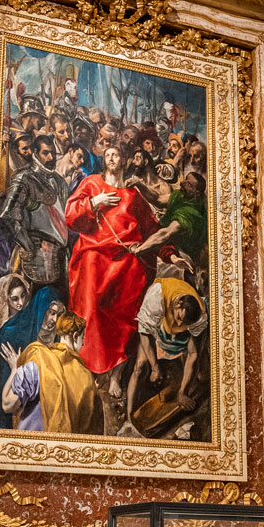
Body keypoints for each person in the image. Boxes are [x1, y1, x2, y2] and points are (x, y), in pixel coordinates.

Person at [64, 144, 158, 382]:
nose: (111, 158)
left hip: (126, 260)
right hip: (94, 255)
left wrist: (170, 254)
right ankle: (90, 367)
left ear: (124, 160)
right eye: (107, 155)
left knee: (127, 311)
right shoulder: (92, 184)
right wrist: (95, 202)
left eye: (116, 154)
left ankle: (116, 373)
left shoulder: (133, 195)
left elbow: (151, 229)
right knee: (93, 307)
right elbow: (70, 214)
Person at [0, 308, 102, 433]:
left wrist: (15, 369)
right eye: (83, 338)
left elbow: (7, 405)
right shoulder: (86, 377)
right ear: (75, 336)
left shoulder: (38, 361)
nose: (83, 343)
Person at [124, 277, 208, 430]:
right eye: (179, 318)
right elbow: (144, 333)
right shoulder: (156, 297)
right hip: (157, 324)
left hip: (172, 327)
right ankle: (129, 419)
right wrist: (155, 367)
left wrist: (182, 393)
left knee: (197, 368)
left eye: (185, 323)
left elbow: (193, 354)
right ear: (178, 304)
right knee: (141, 366)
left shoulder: (199, 312)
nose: (179, 325)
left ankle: (185, 387)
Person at [0, 132, 70, 288]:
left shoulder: (60, 181)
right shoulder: (24, 178)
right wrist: (28, 246)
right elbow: (9, 215)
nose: (50, 158)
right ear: (36, 153)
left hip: (59, 254)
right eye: (45, 153)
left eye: (52, 153)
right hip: (35, 256)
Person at [0, 285, 63, 428]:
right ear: (41, 308)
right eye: (51, 312)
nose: (54, 319)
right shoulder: (12, 333)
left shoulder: (55, 338)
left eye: (58, 315)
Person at [132, 170, 208, 270]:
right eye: (185, 180)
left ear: (196, 193)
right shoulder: (182, 194)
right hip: (167, 244)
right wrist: (139, 184)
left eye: (188, 184)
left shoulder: (189, 213)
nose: (182, 183)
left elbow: (165, 234)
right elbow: (158, 199)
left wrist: (139, 250)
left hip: (181, 254)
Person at [0, 273, 31, 338]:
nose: (21, 302)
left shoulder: (29, 318)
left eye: (23, 296)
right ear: (6, 298)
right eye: (15, 299)